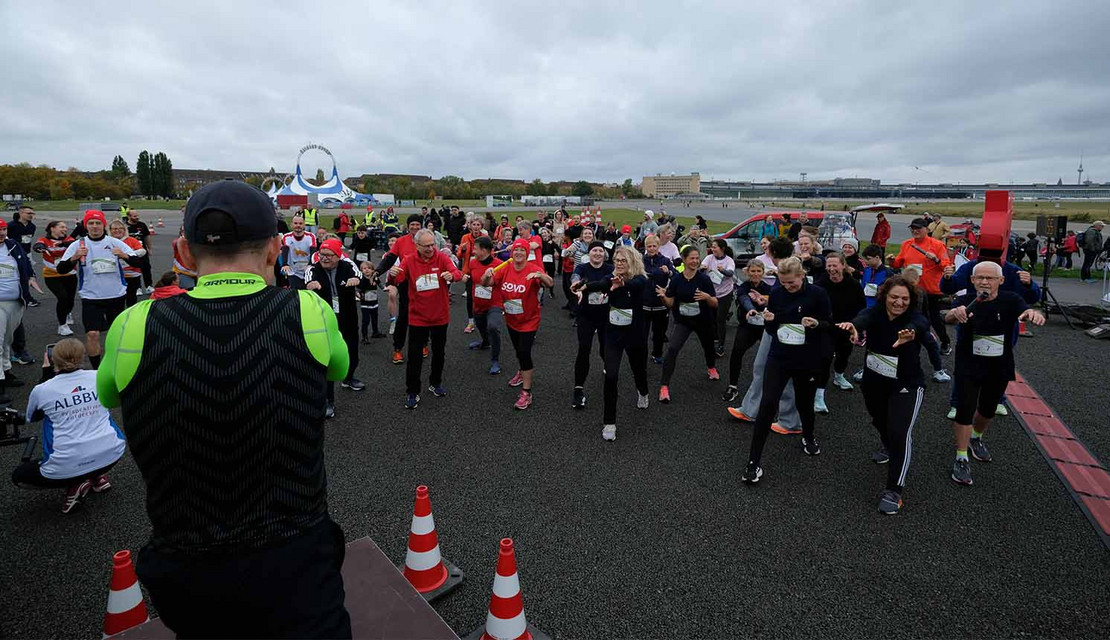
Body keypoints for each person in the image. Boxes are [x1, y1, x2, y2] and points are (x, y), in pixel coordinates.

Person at [97, 181, 352, 638]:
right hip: (295, 550)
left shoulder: (133, 323)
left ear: (184, 253)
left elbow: (108, 396)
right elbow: (339, 368)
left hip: (185, 556)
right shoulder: (308, 309)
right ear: (276, 248)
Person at [945, 261, 1045, 486]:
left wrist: (1031, 313)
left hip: (998, 366)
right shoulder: (966, 300)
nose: (984, 282)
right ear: (972, 280)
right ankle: (961, 457)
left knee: (988, 410)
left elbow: (1026, 309)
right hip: (969, 365)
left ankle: (976, 438)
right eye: (980, 277)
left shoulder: (1010, 299)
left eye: (990, 278)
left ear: (1000, 281)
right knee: (965, 409)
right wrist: (955, 312)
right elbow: (949, 317)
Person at [836, 277, 930, 514]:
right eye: (894, 297)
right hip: (874, 381)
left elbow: (922, 324)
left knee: (900, 432)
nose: (899, 302)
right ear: (885, 297)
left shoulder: (913, 318)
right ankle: (889, 446)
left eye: (905, 299)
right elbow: (863, 318)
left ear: (911, 300)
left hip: (906, 383)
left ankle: (894, 490)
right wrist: (854, 326)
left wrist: (912, 333)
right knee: (880, 421)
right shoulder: (876, 312)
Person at [741, 257, 832, 484]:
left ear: (802, 276)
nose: (787, 287)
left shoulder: (817, 294)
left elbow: (829, 324)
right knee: (768, 404)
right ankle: (753, 461)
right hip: (780, 357)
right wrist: (769, 320)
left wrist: (816, 325)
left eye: (791, 282)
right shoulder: (778, 293)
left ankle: (808, 436)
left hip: (807, 359)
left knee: (804, 402)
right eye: (783, 282)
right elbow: (772, 328)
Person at [13, 339, 125, 513]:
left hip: (67, 465)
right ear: (82, 357)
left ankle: (76, 483)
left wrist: (46, 378)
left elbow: (32, 417)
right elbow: (112, 401)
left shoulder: (42, 389)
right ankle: (97, 478)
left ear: (51, 359)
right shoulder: (99, 375)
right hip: (112, 454)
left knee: (19, 476)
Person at [578, 246, 651, 441]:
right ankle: (609, 423)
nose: (618, 263)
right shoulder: (610, 278)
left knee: (639, 371)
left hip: (634, 335)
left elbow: (634, 285)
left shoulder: (640, 279)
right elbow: (601, 283)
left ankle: (643, 392)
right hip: (613, 334)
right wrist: (583, 287)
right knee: (611, 376)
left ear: (632, 262)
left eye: (623, 260)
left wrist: (622, 284)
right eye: (617, 260)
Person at [55, 211, 139, 369]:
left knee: (116, 335)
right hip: (91, 297)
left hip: (116, 295)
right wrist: (74, 258)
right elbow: (61, 269)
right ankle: (96, 370)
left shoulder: (114, 242)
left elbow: (139, 261)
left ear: (103, 225)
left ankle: (116, 365)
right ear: (86, 226)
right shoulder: (78, 245)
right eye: (91, 223)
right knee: (92, 334)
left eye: (98, 223)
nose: (95, 227)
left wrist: (123, 255)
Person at [389, 229, 462, 409]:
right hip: (418, 317)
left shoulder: (442, 258)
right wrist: (392, 273)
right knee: (414, 356)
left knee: (439, 352)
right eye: (426, 245)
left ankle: (435, 383)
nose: (431, 248)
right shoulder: (410, 259)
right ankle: (412, 391)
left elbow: (457, 273)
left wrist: (451, 275)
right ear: (417, 246)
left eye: (432, 244)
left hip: (439, 316)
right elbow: (398, 278)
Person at [481, 238, 553, 410]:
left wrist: (540, 275)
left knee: (524, 351)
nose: (518, 252)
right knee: (518, 350)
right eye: (516, 250)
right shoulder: (505, 268)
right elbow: (487, 284)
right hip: (512, 319)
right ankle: (521, 372)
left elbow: (549, 283)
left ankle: (526, 392)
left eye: (522, 250)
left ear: (527, 253)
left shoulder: (533, 268)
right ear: (512, 253)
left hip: (529, 320)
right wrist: (486, 275)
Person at [306, 238, 366, 418]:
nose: (324, 258)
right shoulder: (313, 268)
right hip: (324, 320)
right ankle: (328, 400)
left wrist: (356, 279)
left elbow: (360, 276)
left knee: (351, 352)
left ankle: (348, 378)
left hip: (347, 317)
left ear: (338, 255)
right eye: (322, 255)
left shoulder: (347, 265)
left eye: (328, 255)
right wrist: (311, 285)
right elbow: (307, 281)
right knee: (328, 358)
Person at [657, 246, 719, 403]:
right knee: (672, 349)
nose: (695, 261)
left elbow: (715, 303)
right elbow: (670, 303)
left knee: (709, 347)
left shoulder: (704, 279)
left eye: (697, 258)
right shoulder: (677, 279)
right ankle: (664, 387)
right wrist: (663, 297)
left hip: (703, 321)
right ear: (684, 260)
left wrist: (707, 297)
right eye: (691, 258)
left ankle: (711, 367)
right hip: (683, 321)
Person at [891, 218, 952, 354]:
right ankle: (909, 343)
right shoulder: (907, 244)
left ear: (927, 229)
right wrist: (891, 261)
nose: (915, 230)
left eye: (918, 228)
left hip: (931, 290)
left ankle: (945, 341)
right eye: (912, 228)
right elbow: (898, 263)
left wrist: (935, 259)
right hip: (912, 289)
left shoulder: (937, 245)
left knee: (934, 319)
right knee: (910, 317)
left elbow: (946, 265)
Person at [815, 252, 866, 411]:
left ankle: (839, 376)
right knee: (824, 358)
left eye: (834, 265)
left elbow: (861, 308)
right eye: (828, 266)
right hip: (826, 328)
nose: (831, 269)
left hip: (846, 327)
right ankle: (819, 394)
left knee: (844, 354)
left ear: (843, 266)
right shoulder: (820, 284)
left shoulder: (854, 285)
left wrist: (858, 329)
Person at [568, 241, 613, 408]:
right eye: (595, 250)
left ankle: (609, 368)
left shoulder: (609, 269)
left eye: (601, 251)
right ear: (589, 252)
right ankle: (578, 389)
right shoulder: (583, 268)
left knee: (604, 347)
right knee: (584, 348)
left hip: (605, 316)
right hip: (586, 316)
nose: (598, 253)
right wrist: (575, 283)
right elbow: (575, 276)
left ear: (604, 254)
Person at [376, 215, 426, 365]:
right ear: (408, 226)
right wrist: (378, 271)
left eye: (418, 224)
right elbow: (390, 259)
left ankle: (423, 344)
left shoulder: (426, 240)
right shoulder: (401, 241)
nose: (415, 227)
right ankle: (398, 349)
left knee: (423, 316)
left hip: (423, 283)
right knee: (404, 317)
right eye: (412, 224)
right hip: (405, 283)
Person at [722, 259, 773, 403]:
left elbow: (775, 301)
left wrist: (765, 300)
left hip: (765, 328)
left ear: (763, 273)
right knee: (736, 352)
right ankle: (733, 386)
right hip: (748, 327)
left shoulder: (769, 289)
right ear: (747, 272)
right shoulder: (743, 287)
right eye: (753, 271)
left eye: (758, 271)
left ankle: (770, 386)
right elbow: (744, 298)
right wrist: (751, 309)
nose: (755, 274)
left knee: (771, 357)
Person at [0, 219, 36, 396]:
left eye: (3, 229)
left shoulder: (13, 245)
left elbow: (25, 266)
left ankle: (6, 372)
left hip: (15, 301)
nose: (1, 232)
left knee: (7, 339)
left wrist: (31, 277)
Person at [465, 236, 504, 374]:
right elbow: (470, 280)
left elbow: (488, 283)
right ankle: (485, 343)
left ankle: (495, 360)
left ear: (485, 250)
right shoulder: (473, 263)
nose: (473, 251)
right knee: (481, 327)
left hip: (494, 304)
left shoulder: (499, 264)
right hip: (478, 304)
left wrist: (487, 276)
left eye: (475, 248)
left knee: (493, 327)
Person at [33, 221, 78, 336]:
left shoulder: (68, 239)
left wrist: (62, 244)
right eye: (62, 227)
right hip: (52, 275)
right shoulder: (44, 240)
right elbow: (37, 245)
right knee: (62, 297)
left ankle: (67, 313)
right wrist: (40, 248)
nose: (65, 229)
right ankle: (62, 325)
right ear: (52, 228)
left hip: (70, 274)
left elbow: (72, 244)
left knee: (70, 299)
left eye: (66, 227)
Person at [701, 238, 736, 357]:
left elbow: (731, 273)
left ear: (722, 248)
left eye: (715, 247)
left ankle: (721, 346)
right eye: (712, 247)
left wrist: (723, 271)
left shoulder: (729, 260)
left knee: (720, 319)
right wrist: (702, 269)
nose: (712, 249)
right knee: (710, 317)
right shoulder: (709, 258)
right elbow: (701, 269)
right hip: (711, 293)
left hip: (725, 293)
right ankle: (713, 338)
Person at [641, 234, 672, 364]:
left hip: (661, 304)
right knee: (642, 334)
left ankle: (657, 354)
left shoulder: (665, 260)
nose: (652, 248)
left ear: (658, 246)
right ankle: (641, 356)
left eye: (654, 246)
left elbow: (675, 276)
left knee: (659, 334)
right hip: (644, 304)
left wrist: (668, 272)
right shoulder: (640, 260)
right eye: (649, 246)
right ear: (645, 247)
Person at [456, 217, 489, 334]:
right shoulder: (465, 237)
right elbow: (459, 256)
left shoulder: (485, 238)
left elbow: (491, 254)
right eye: (473, 224)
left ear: (481, 226)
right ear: (470, 226)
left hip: (481, 270)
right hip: (469, 270)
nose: (476, 227)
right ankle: (471, 322)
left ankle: (484, 320)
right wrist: (463, 250)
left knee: (483, 295)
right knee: (470, 297)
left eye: (478, 225)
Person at [109, 220, 148, 307]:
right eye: (114, 229)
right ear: (110, 230)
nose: (117, 231)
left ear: (124, 230)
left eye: (120, 228)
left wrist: (127, 255)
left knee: (131, 298)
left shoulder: (131, 240)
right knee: (116, 300)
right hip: (114, 275)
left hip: (132, 274)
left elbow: (142, 251)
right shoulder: (108, 241)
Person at [280, 216, 317, 289]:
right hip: (293, 271)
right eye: (295, 223)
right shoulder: (286, 237)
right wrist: (285, 264)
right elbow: (285, 251)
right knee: (295, 291)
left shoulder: (310, 236)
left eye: (300, 223)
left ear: (304, 225)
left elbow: (313, 252)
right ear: (291, 225)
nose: (298, 225)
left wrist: (310, 265)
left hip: (307, 269)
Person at [126, 209, 155, 293]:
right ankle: (137, 287)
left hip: (142, 251)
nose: (137, 217)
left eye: (137, 215)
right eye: (134, 216)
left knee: (146, 268)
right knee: (134, 269)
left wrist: (149, 248)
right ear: (129, 217)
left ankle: (148, 286)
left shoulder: (142, 225)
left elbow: (147, 237)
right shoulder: (125, 226)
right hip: (130, 252)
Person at [356, 260, 384, 342]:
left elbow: (380, 284)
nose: (367, 270)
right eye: (364, 268)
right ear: (361, 270)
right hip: (365, 304)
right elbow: (357, 289)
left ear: (373, 270)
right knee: (366, 320)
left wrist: (385, 288)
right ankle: (364, 336)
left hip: (374, 303)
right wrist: (357, 293)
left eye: (369, 268)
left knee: (375, 319)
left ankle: (375, 332)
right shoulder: (361, 279)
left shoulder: (375, 278)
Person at [171, 225, 199, 290]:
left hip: (200, 273)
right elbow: (175, 243)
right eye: (183, 232)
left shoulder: (199, 243)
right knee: (189, 291)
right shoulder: (178, 242)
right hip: (183, 272)